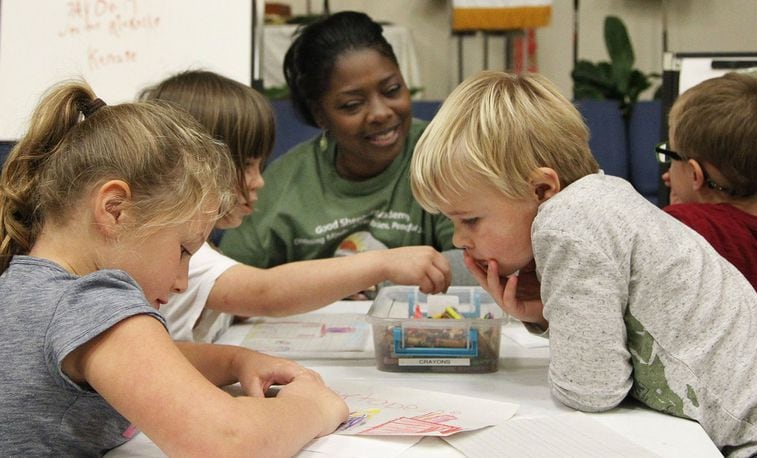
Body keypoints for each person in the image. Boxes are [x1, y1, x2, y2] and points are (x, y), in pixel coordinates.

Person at [409, 70, 757, 457]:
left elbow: (591, 390)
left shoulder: (568, 221)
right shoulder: (599, 200)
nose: (460, 239)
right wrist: (550, 315)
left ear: (541, 188)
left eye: (470, 220)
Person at [0, 80, 348, 456]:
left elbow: (142, 362)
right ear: (115, 210)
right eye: (183, 249)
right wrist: (313, 407)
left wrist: (235, 361)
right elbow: (228, 444)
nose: (182, 282)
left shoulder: (27, 283)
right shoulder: (89, 301)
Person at [139, 70, 451, 343]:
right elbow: (266, 293)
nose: (258, 181)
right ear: (195, 168)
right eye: (247, 165)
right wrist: (382, 263)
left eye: (261, 165)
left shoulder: (199, 250)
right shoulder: (187, 257)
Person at [219, 11, 457, 278]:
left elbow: (473, 267)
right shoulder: (282, 183)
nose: (380, 113)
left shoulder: (445, 157)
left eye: (392, 90)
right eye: (352, 105)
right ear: (319, 115)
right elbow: (226, 280)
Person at [660, 71, 757, 328]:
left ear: (695, 174)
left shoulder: (680, 228)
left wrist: (672, 217)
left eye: (671, 155)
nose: (667, 172)